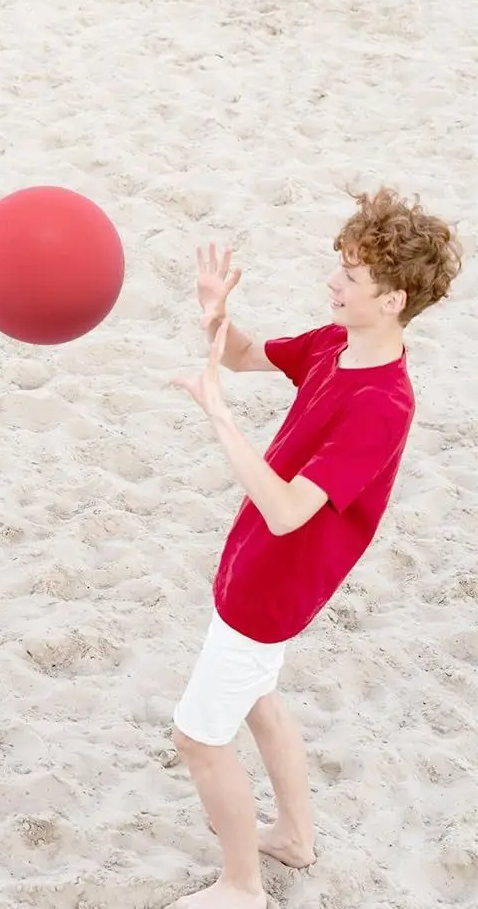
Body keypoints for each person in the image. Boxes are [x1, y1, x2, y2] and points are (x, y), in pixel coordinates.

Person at [168, 187, 463, 909]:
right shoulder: (337, 344)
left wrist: (219, 418)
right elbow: (239, 356)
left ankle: (241, 887)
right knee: (260, 698)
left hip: (273, 588)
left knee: (200, 739)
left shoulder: (383, 405)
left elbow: (287, 508)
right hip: (261, 573)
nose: (334, 282)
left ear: (393, 300)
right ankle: (295, 839)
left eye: (352, 276)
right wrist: (216, 317)